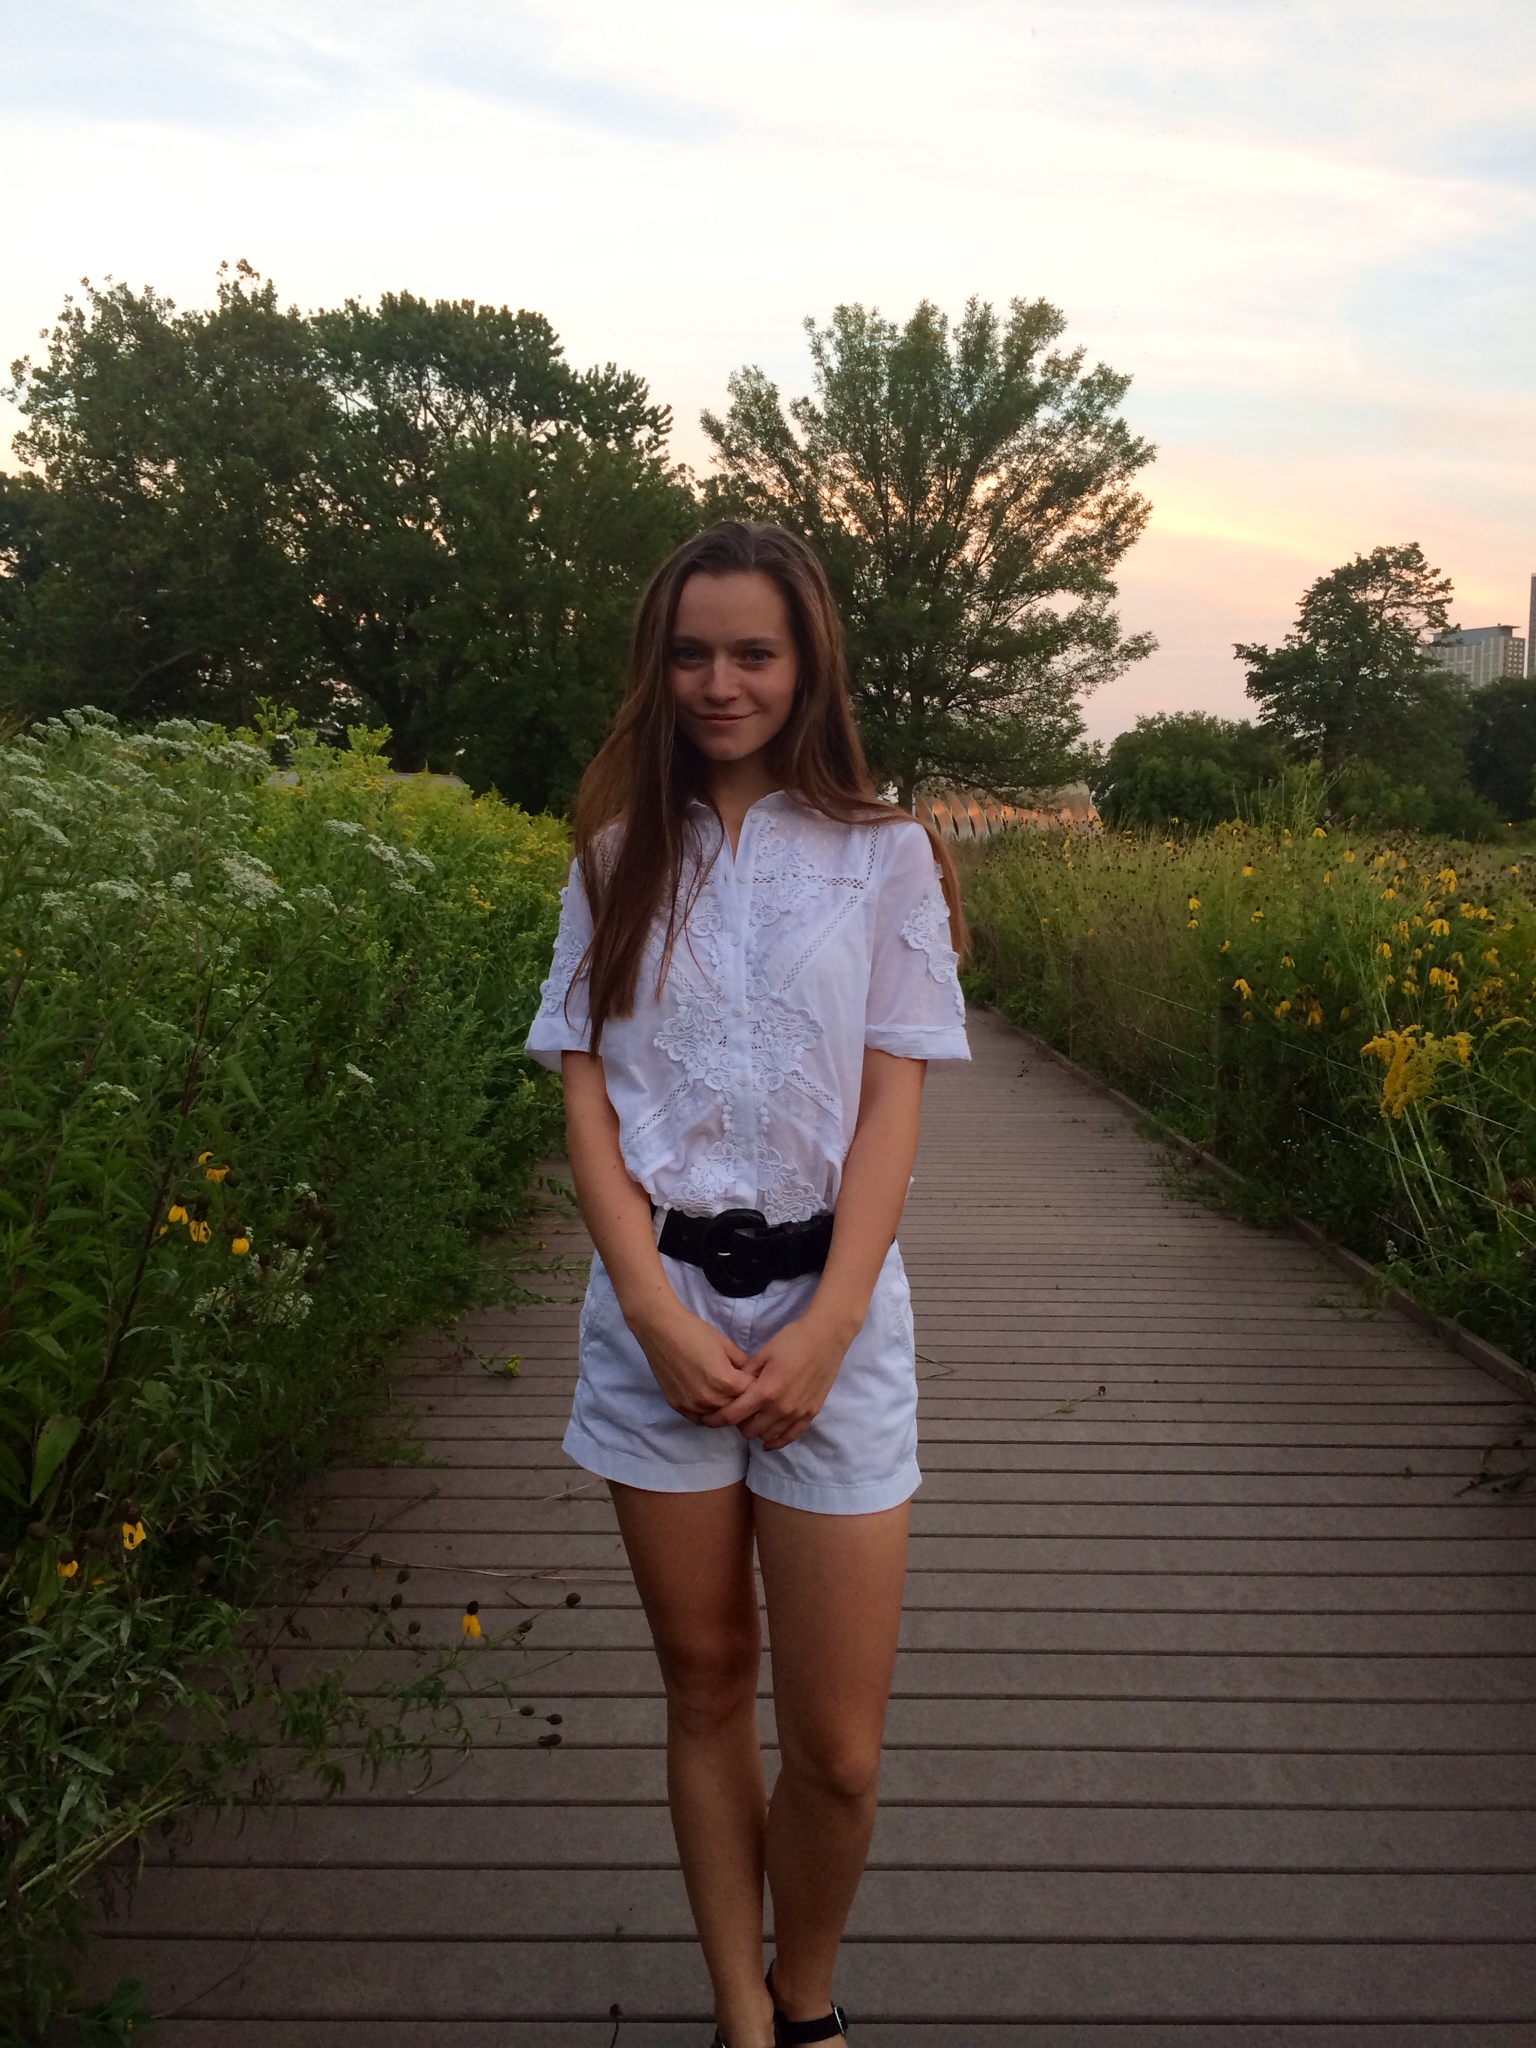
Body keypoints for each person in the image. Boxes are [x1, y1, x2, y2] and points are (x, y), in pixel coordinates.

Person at [526, 521, 969, 2047]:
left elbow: (895, 1094)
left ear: (806, 662)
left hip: (830, 1314)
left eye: (754, 652)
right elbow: (584, 1092)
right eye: (692, 652)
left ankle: (807, 1993)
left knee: (838, 1748)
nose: (721, 682)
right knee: (707, 1683)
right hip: (656, 1317)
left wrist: (834, 1319)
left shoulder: (889, 854)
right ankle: (742, 2014)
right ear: (658, 665)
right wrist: (651, 1311)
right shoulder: (612, 856)